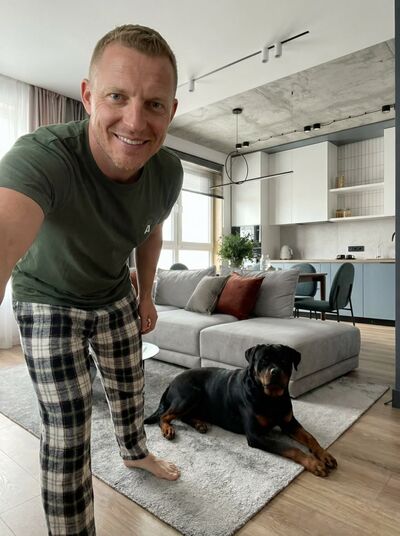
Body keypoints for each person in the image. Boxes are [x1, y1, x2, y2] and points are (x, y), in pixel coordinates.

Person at [0, 24, 183, 535]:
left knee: (130, 387)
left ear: (171, 110)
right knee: (67, 431)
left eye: (153, 104)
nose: (135, 121)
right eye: (117, 96)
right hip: (47, 298)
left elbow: (150, 229)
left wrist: (145, 296)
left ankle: (134, 452)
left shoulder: (168, 172)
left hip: (113, 292)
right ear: (87, 96)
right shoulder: (43, 157)